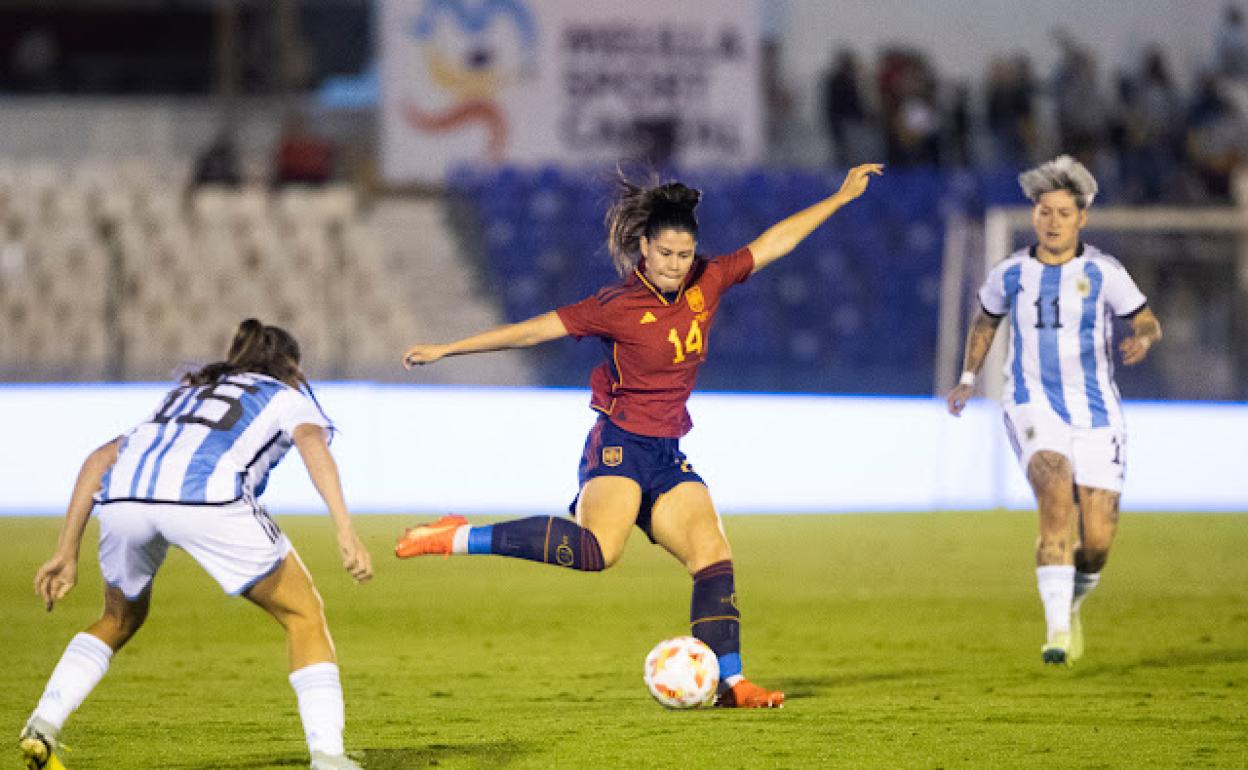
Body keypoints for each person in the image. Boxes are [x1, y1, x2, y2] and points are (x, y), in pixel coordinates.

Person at [396, 163, 883, 708]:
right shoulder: (617, 307)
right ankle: (458, 535)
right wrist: (446, 349)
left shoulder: (709, 279)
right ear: (644, 250)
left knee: (712, 554)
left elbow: (774, 242)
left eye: (685, 255)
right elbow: (533, 329)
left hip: (667, 453)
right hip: (619, 447)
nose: (677, 265)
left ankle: (731, 683)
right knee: (599, 551)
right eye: (667, 255)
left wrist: (839, 197)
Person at [19, 319, 373, 770]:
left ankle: (42, 725)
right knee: (304, 614)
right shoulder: (286, 399)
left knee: (117, 617)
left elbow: (98, 461)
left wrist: (65, 552)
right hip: (208, 499)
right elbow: (313, 446)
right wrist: (344, 527)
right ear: (291, 368)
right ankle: (328, 757)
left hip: (126, 496)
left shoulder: (186, 393)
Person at [946, 156, 1162, 667]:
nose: (1053, 220)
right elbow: (985, 321)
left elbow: (1147, 318)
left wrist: (1144, 337)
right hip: (1030, 401)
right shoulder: (1012, 273)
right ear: (1035, 215)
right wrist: (968, 379)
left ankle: (1073, 602)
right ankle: (1057, 633)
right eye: (1045, 211)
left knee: (1098, 542)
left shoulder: (1105, 273)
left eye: (1064, 212)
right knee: (1054, 491)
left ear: (1081, 218)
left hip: (1098, 411)